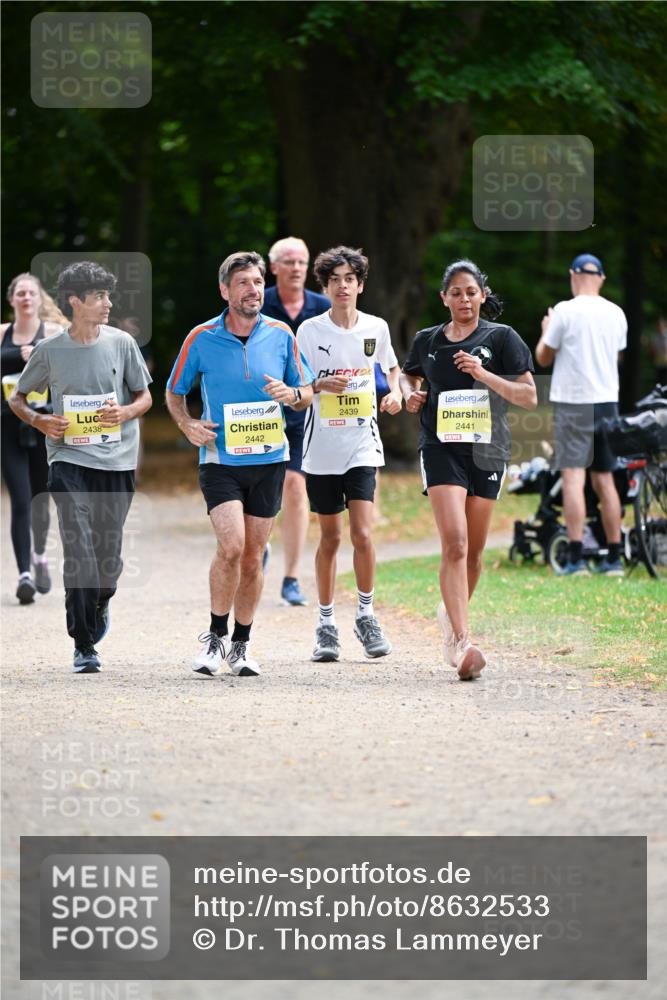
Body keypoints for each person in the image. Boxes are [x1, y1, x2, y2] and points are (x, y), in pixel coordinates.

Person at [165, 251, 315, 678]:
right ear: (224, 290)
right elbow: (174, 391)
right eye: (244, 283)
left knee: (253, 556)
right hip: (221, 459)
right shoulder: (201, 337)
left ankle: (241, 645)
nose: (253, 290)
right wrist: (187, 424)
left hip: (270, 459)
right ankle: (215, 638)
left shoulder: (281, 334)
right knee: (231, 547)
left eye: (258, 282)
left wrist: (292, 394)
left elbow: (305, 392)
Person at [10, 261, 153, 673]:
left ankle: (102, 598)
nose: (108, 304)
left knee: (108, 561)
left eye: (108, 295)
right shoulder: (50, 350)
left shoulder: (122, 343)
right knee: (79, 549)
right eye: (99, 297)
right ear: (75, 301)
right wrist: (39, 421)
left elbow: (145, 397)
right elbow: (18, 398)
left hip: (117, 462)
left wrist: (124, 412)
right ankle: (83, 643)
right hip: (68, 459)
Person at [401, 260, 536, 679]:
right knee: (455, 543)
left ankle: (449, 614)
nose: (464, 299)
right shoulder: (427, 340)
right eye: (456, 293)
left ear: (482, 295)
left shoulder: (502, 338)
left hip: (488, 451)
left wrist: (483, 373)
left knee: (474, 553)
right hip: (440, 448)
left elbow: (528, 396)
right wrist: (411, 395)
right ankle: (461, 642)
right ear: (444, 298)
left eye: (471, 292)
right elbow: (408, 378)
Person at [297, 246, 402, 663]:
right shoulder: (309, 332)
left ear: (360, 285)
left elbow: (391, 368)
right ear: (325, 287)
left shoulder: (376, 327)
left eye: (350, 279)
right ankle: (325, 624)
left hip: (362, 443)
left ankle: (366, 614)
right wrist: (319, 386)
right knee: (331, 537)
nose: (342, 286)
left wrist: (395, 393)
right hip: (321, 448)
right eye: (335, 280)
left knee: (362, 533)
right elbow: (298, 388)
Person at [536, 253, 628, 576]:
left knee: (573, 478)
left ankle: (575, 559)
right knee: (605, 479)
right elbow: (616, 354)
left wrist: (546, 330)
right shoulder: (616, 313)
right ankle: (614, 557)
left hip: (572, 403)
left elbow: (543, 357)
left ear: (573, 275)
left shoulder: (564, 311)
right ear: (601, 278)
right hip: (607, 403)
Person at [261, 237, 330, 606]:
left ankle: (290, 577)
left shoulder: (323, 307)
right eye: (289, 261)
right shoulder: (257, 302)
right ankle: (260, 544)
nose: (296, 268)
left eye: (302, 261)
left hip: (307, 410)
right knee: (262, 489)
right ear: (274, 267)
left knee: (295, 486)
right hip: (262, 411)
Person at [1, 273, 66, 604]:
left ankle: (39, 555)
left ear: (40, 299)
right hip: (7, 426)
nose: (26, 297)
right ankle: (24, 574)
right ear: (12, 299)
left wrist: (39, 356)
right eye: (20, 293)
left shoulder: (53, 334)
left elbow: (69, 372)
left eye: (31, 293)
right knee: (20, 498)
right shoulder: (1, 334)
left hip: (43, 425)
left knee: (41, 497)